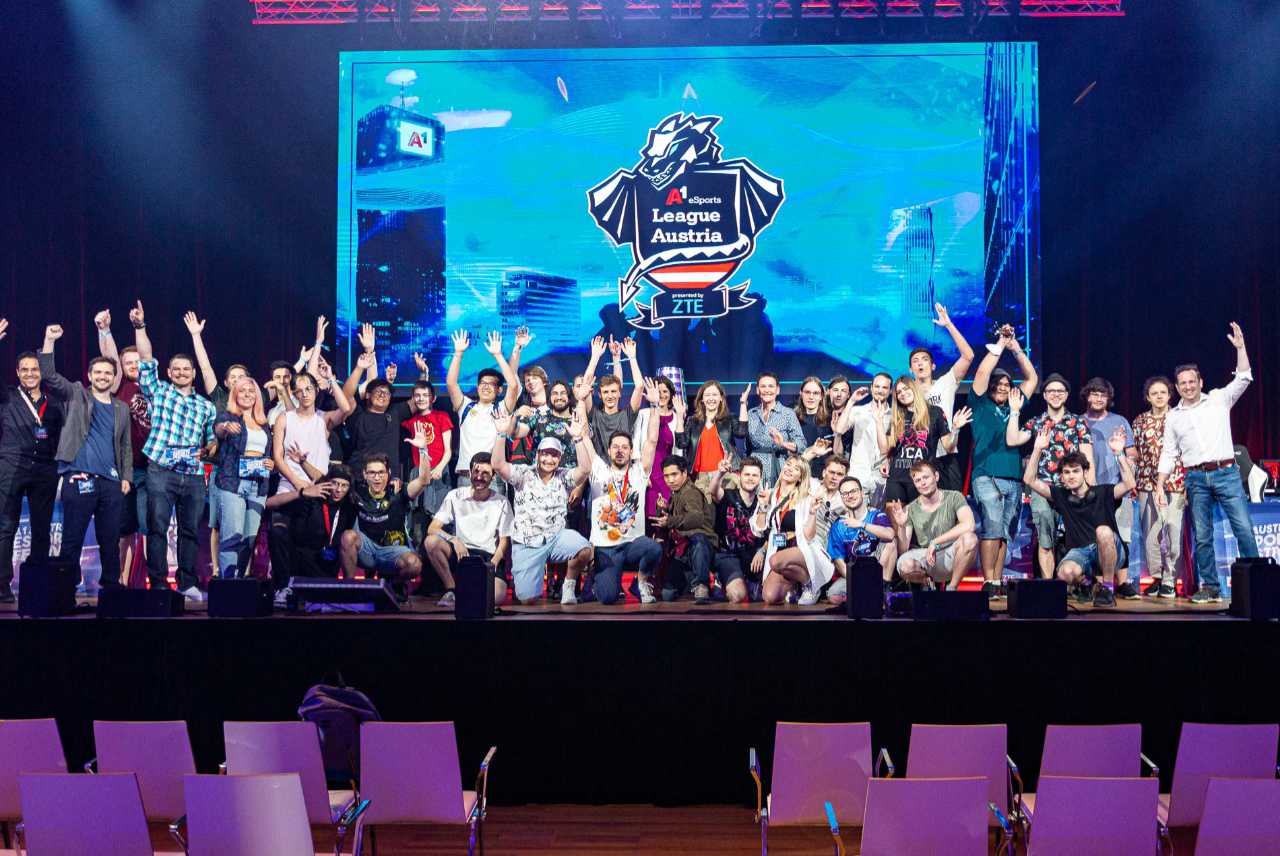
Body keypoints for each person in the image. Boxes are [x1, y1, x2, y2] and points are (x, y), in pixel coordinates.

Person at [1156, 322, 1258, 604]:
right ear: (1177, 387)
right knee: (1202, 535)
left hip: (1226, 474)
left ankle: (1257, 583)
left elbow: (1244, 378)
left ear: (1201, 382)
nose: (1188, 386)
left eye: (1192, 381)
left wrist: (1241, 348)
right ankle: (1210, 587)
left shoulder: (1218, 399)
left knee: (1243, 529)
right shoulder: (1173, 417)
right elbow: (1168, 452)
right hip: (1195, 479)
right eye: (1183, 383)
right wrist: (1160, 483)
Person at [129, 301, 217, 599]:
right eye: (176, 369)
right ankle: (159, 584)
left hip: (192, 473)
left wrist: (210, 448)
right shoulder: (159, 391)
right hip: (161, 470)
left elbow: (211, 441)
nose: (181, 373)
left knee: (190, 530)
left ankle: (187, 583)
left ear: (193, 373)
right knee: (157, 527)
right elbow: (145, 358)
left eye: (186, 369)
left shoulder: (205, 406)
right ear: (168, 372)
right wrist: (140, 326)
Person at [37, 325, 133, 590]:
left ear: (114, 377)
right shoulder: (77, 394)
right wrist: (49, 341)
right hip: (80, 478)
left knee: (110, 540)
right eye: (98, 372)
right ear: (90, 375)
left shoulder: (121, 408)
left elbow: (125, 445)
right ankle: (64, 590)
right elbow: (49, 376)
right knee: (72, 539)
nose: (103, 376)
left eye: (108, 373)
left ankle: (111, 590)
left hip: (111, 483)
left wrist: (125, 476)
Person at [1024, 424, 1139, 607]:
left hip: (1109, 549)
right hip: (1082, 553)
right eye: (1066, 472)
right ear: (1061, 477)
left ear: (1085, 472)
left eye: (1076, 471)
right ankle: (1087, 585)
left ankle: (1107, 589)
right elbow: (1029, 480)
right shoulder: (1061, 495)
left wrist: (1119, 454)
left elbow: (1129, 484)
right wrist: (1037, 449)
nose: (1071, 476)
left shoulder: (1103, 492)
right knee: (1064, 573)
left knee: (1103, 531)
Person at [491, 409, 593, 604]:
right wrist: (501, 434)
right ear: (537, 455)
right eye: (545, 454)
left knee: (585, 550)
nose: (549, 459)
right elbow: (497, 465)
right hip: (527, 543)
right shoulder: (523, 474)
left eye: (554, 455)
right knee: (528, 599)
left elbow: (585, 469)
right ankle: (532, 582)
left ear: (560, 458)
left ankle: (568, 586)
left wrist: (579, 439)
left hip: (555, 538)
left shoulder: (563, 476)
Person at [967, 329, 1038, 598]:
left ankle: (996, 582)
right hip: (986, 475)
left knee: (1005, 533)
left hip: (1013, 478)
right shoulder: (979, 404)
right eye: (997, 384)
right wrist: (999, 344)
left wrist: (1016, 347)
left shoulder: (1014, 406)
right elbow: (983, 372)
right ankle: (988, 581)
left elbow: (1032, 378)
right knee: (992, 527)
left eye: (1007, 384)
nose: (1002, 387)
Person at [0, 320, 65, 602]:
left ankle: (36, 585)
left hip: (44, 470)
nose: (30, 373)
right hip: (12, 466)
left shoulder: (54, 403)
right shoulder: (6, 397)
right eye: (24, 369)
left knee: (41, 528)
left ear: (41, 372)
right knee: (6, 527)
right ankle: (2, 585)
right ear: (17, 372)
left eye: (34, 369)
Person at [584, 377, 664, 605]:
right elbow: (583, 436)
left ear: (631, 451)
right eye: (615, 447)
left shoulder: (639, 471)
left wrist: (655, 405)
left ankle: (641, 581)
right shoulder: (598, 470)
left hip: (631, 544)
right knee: (608, 598)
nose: (620, 451)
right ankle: (601, 577)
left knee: (653, 548)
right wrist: (581, 402)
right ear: (608, 451)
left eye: (625, 448)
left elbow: (652, 440)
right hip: (606, 548)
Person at [1006, 373, 1094, 578]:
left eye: (1060, 391)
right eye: (1051, 391)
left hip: (1072, 489)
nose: (1056, 394)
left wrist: (1090, 492)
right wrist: (1015, 411)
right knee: (1045, 537)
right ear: (1044, 395)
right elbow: (1012, 440)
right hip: (1042, 487)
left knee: (1076, 537)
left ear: (1067, 395)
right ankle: (1049, 586)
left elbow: (1088, 460)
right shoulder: (1037, 422)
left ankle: (1074, 583)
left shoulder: (1078, 423)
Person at [95, 309, 152, 585]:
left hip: (152, 468)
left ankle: (149, 582)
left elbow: (148, 356)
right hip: (125, 469)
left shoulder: (154, 387)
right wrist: (104, 331)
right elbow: (109, 360)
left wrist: (140, 326)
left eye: (136, 361)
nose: (133, 365)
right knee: (125, 529)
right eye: (127, 362)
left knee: (149, 527)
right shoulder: (119, 387)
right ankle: (121, 582)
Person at [339, 439, 434, 595]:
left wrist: (423, 449)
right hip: (367, 551)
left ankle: (391, 584)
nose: (377, 477)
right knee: (348, 536)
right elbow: (330, 479)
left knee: (414, 564)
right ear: (364, 474)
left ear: (388, 473)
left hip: (392, 552)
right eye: (372, 473)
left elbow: (424, 480)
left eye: (381, 472)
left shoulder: (398, 491)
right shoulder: (357, 491)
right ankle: (349, 590)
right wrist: (302, 463)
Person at [424, 452, 512, 608]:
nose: (479, 477)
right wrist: (454, 539)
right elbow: (432, 528)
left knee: (497, 596)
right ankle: (452, 589)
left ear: (493, 477)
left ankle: (468, 592)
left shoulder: (502, 502)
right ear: (470, 473)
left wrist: (492, 564)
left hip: (488, 557)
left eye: (485, 473)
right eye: (476, 472)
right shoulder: (455, 495)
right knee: (431, 542)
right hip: (461, 554)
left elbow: (504, 541)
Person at [212, 378, 276, 578]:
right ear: (235, 394)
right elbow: (218, 429)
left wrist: (270, 463)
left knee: (249, 540)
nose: (247, 394)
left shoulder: (263, 423)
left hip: (258, 486)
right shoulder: (228, 417)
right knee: (232, 537)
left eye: (251, 390)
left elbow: (266, 453)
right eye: (242, 390)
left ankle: (239, 581)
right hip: (233, 484)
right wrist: (225, 427)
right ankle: (227, 584)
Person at [908, 303, 976, 490]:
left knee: (952, 504)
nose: (920, 364)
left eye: (925, 360)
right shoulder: (906, 393)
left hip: (946, 455)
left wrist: (948, 325)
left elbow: (968, 356)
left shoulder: (945, 383)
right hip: (917, 459)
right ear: (910, 369)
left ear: (933, 366)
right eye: (915, 361)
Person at [753, 453, 833, 605]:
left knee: (775, 561)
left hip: (801, 547)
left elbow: (809, 537)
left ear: (800, 477)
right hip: (780, 546)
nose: (790, 469)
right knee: (770, 596)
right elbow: (759, 529)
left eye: (796, 469)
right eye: (788, 464)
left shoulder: (806, 497)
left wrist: (812, 513)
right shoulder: (770, 494)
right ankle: (795, 585)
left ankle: (810, 584)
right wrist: (763, 506)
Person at [886, 460, 978, 590]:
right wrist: (901, 526)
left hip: (950, 553)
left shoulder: (954, 497)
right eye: (918, 480)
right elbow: (903, 550)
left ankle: (952, 588)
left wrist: (936, 542)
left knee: (970, 539)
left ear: (936, 476)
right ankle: (927, 583)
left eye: (926, 477)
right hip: (926, 557)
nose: (922, 483)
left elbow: (969, 525)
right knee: (905, 565)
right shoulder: (911, 509)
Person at [1132, 376, 1185, 598]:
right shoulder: (1140, 421)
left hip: (1175, 482)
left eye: (1163, 392)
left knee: (1173, 532)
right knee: (1150, 534)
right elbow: (1134, 453)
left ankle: (1170, 579)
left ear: (1170, 395)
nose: (1159, 396)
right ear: (1148, 397)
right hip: (1146, 483)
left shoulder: (1179, 418)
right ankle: (1155, 577)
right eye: (1154, 393)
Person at [446, 329, 522, 484]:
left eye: (491, 384)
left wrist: (498, 355)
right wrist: (458, 353)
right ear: (477, 386)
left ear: (499, 390)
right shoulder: (465, 406)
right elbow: (451, 383)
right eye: (482, 383)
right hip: (466, 477)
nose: (486, 387)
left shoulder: (501, 409)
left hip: (493, 478)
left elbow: (513, 385)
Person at [878, 376, 968, 505]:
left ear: (914, 388)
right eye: (899, 392)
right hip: (896, 478)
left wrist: (955, 429)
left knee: (921, 517)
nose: (903, 393)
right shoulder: (897, 417)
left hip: (922, 478)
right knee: (896, 516)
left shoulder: (935, 412)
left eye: (906, 388)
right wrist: (878, 422)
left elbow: (948, 447)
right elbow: (886, 450)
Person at [265, 465, 357, 587]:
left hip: (324, 564)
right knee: (277, 532)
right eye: (335, 483)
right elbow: (269, 503)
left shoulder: (349, 507)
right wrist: (302, 493)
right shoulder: (313, 498)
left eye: (344, 485)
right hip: (298, 559)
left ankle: (348, 590)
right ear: (327, 482)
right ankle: (282, 587)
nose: (339, 490)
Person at [1081, 377, 1137, 546]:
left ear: (1109, 398)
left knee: (1123, 542)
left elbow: (1132, 452)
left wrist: (1130, 462)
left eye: (1103, 395)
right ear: (1087, 396)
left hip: (1120, 491)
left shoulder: (1120, 421)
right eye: (1094, 394)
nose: (1099, 399)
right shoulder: (1077, 422)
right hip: (1088, 493)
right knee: (1091, 542)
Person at [655, 454, 718, 603]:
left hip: (701, 547)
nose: (670, 480)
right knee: (667, 594)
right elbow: (676, 518)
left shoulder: (690, 492)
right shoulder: (676, 492)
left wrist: (670, 521)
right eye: (666, 476)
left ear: (684, 473)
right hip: (683, 550)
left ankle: (702, 584)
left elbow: (696, 518)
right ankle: (691, 579)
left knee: (698, 539)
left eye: (674, 474)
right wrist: (664, 509)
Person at [707, 456, 765, 603]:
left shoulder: (763, 502)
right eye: (747, 474)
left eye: (754, 475)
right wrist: (720, 473)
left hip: (753, 557)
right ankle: (719, 581)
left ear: (760, 478)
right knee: (738, 595)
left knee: (767, 596)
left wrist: (762, 551)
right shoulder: (728, 495)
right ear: (739, 475)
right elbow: (713, 490)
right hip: (728, 555)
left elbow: (772, 533)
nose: (750, 478)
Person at [826, 476, 896, 596]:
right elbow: (838, 561)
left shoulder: (876, 515)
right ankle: (866, 592)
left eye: (853, 491)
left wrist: (862, 524)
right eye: (845, 493)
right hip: (856, 572)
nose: (850, 496)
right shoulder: (838, 526)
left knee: (891, 543)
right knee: (833, 594)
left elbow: (890, 535)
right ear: (841, 497)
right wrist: (856, 581)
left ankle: (883, 589)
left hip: (877, 568)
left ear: (862, 493)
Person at [580, 334, 645, 457]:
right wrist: (595, 357)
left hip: (623, 467)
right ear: (599, 395)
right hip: (598, 468)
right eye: (605, 392)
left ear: (620, 393)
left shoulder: (627, 415)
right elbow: (585, 384)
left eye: (613, 391)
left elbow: (639, 386)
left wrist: (632, 357)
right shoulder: (594, 415)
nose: (610, 396)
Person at [635, 376, 687, 521]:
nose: (662, 395)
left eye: (665, 391)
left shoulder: (676, 417)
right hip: (647, 471)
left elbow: (679, 449)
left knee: (665, 513)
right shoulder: (643, 414)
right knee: (646, 512)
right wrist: (641, 473)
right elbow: (635, 443)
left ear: (671, 394)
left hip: (667, 474)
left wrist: (680, 417)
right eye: (658, 391)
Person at [739, 372, 806, 485]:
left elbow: (802, 444)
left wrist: (783, 443)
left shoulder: (788, 414)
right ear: (757, 390)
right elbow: (743, 440)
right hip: (755, 469)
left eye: (771, 386)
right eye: (763, 386)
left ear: (778, 390)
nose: (767, 390)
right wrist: (743, 403)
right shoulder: (751, 413)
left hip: (779, 466)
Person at [831, 373, 886, 505]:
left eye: (884, 387)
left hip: (882, 477)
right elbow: (839, 430)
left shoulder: (894, 414)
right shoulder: (858, 411)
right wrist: (851, 401)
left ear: (890, 391)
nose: (880, 390)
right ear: (871, 388)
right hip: (859, 475)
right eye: (877, 386)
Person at [401, 379, 453, 518]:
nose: (421, 398)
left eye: (425, 395)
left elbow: (448, 450)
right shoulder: (411, 421)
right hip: (419, 471)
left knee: (439, 514)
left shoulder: (442, 417)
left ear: (433, 398)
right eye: (417, 395)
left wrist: (440, 468)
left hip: (439, 471)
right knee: (418, 515)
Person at [687, 380, 738, 497]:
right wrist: (680, 417)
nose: (711, 398)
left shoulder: (729, 419)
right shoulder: (693, 421)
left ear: (721, 398)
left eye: (714, 394)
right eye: (707, 395)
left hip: (725, 474)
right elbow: (682, 443)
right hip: (701, 476)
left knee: (725, 507)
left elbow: (742, 432)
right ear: (702, 399)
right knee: (704, 507)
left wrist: (743, 404)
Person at [793, 376, 831, 478]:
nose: (811, 397)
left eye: (815, 393)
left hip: (822, 476)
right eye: (807, 392)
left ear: (821, 396)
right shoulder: (792, 418)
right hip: (798, 473)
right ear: (801, 394)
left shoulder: (830, 420)